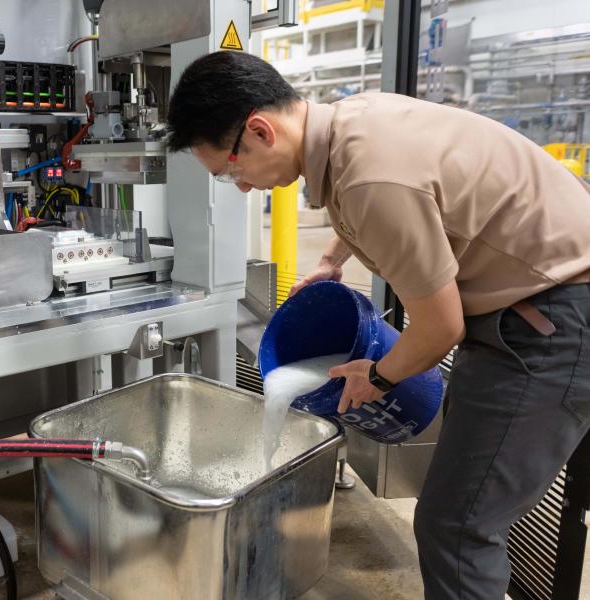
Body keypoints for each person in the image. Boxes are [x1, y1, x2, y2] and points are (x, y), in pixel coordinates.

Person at [166, 50, 590, 599]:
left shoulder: (369, 176)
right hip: (535, 303)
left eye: (230, 168)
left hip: (554, 320)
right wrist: (331, 259)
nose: (241, 185)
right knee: (465, 508)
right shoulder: (355, 122)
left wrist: (380, 377)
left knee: (458, 526)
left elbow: (440, 328)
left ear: (259, 130)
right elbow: (391, 195)